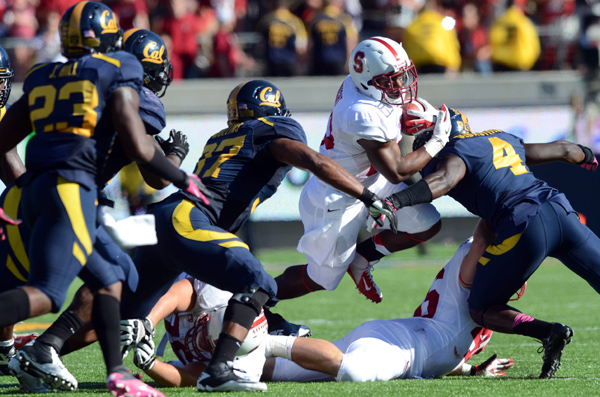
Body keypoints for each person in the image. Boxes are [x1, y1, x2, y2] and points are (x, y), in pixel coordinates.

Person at [120, 79, 399, 392]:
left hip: (179, 222)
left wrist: (148, 346)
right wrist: (367, 195)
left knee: (121, 309)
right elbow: (315, 161)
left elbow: (181, 365)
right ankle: (221, 367)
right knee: (258, 283)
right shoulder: (271, 133)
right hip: (190, 223)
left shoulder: (224, 137)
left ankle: (54, 346)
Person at [0, 3, 208, 396]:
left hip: (32, 190)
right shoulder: (116, 72)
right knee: (47, 294)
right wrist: (182, 173)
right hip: (70, 190)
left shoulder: (44, 74)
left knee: (114, 276)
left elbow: (4, 139)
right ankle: (58, 354)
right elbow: (141, 152)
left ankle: (116, 374)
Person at [379, 107, 600, 378]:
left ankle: (548, 332)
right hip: (561, 211)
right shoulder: (500, 138)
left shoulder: (454, 152)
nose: (425, 151)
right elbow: (564, 150)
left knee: (481, 308)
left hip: (525, 225)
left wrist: (394, 202)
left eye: (428, 140)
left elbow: (445, 179)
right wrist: (587, 155)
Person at [274, 36, 450, 305]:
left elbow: (389, 118)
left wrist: (414, 115)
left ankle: (363, 258)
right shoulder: (361, 112)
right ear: (369, 80)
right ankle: (254, 302)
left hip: (371, 177)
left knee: (427, 223)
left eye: (402, 76)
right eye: (392, 80)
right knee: (320, 279)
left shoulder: (361, 86)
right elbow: (397, 171)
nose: (401, 85)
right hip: (338, 195)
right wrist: (437, 141)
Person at [263, 222, 517, 382]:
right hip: (401, 346)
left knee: (280, 372)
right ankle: (266, 341)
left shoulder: (482, 308)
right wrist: (495, 207)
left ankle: (232, 359)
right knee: (354, 372)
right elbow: (481, 241)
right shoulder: (473, 275)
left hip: (398, 338)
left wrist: (471, 370)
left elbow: (443, 351)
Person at [119, 275, 268, 387]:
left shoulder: (244, 365)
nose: (202, 345)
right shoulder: (216, 295)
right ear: (212, 314)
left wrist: (149, 364)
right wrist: (147, 322)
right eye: (205, 335)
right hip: (172, 268)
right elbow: (175, 295)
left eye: (212, 346)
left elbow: (191, 376)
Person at [256, 0, 308, 77]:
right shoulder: (295, 22)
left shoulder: (266, 21)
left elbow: (260, 46)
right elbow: (301, 49)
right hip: (289, 62)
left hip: (271, 63)